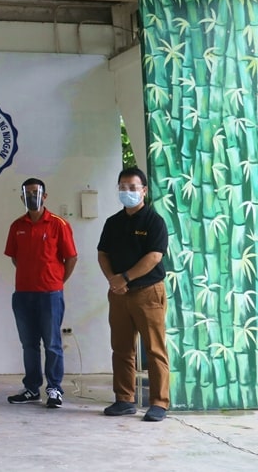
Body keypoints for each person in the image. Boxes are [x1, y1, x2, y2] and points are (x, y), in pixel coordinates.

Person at [97, 167, 170, 422]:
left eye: (133, 187)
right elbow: (103, 253)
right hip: (119, 294)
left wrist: (125, 278)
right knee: (121, 348)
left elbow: (154, 257)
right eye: (123, 187)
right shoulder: (113, 222)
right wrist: (113, 280)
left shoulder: (154, 221)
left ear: (144, 191)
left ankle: (159, 403)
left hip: (147, 292)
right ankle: (124, 399)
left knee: (154, 350)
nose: (127, 192)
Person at [4, 178, 78, 409]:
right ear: (22, 197)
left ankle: (54, 388)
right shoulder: (17, 226)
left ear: (45, 196)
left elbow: (71, 257)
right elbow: (15, 257)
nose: (32, 196)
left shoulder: (58, 224)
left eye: (36, 192)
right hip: (23, 295)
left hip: (50, 294)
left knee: (52, 344)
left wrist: (57, 280)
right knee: (29, 345)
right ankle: (31, 388)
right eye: (27, 193)